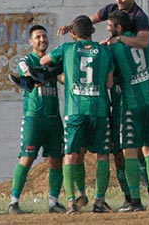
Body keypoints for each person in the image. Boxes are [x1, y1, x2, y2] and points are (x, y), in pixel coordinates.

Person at [41, 15, 114, 214]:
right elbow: (109, 84)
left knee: (71, 156)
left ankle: (72, 201)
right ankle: (99, 201)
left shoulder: (67, 49)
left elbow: (44, 60)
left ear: (73, 33)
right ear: (92, 32)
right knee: (102, 155)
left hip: (75, 111)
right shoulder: (105, 52)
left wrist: (63, 76)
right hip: (99, 109)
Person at [107, 10, 149, 212]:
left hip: (132, 103)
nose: (107, 29)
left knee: (129, 151)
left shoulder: (115, 48)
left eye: (109, 25)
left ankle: (135, 201)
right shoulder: (142, 42)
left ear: (119, 28)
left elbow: (111, 79)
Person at [6, 25, 66, 215]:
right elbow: (28, 73)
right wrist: (47, 73)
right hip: (34, 117)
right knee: (27, 158)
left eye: (44, 37)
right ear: (31, 41)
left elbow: (64, 78)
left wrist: (56, 71)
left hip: (54, 117)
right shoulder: (25, 60)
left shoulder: (54, 58)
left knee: (56, 160)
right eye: (38, 37)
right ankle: (14, 202)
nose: (42, 40)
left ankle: (53, 202)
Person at [57, 0, 149, 49]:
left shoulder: (139, 16)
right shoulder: (112, 8)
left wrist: (119, 39)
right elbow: (88, 20)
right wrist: (70, 25)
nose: (119, 1)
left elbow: (144, 42)